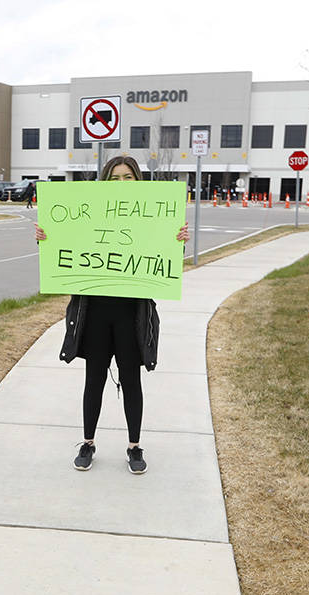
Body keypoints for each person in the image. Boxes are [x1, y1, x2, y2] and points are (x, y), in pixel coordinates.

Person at [34, 155, 188, 474]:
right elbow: (67, 245)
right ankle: (88, 443)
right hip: (96, 314)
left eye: (127, 177)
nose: (121, 183)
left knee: (131, 380)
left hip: (131, 314)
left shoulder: (151, 215)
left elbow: (163, 256)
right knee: (95, 379)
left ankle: (134, 446)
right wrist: (47, 240)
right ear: (105, 182)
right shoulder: (88, 213)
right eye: (115, 178)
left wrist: (177, 242)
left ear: (138, 181)